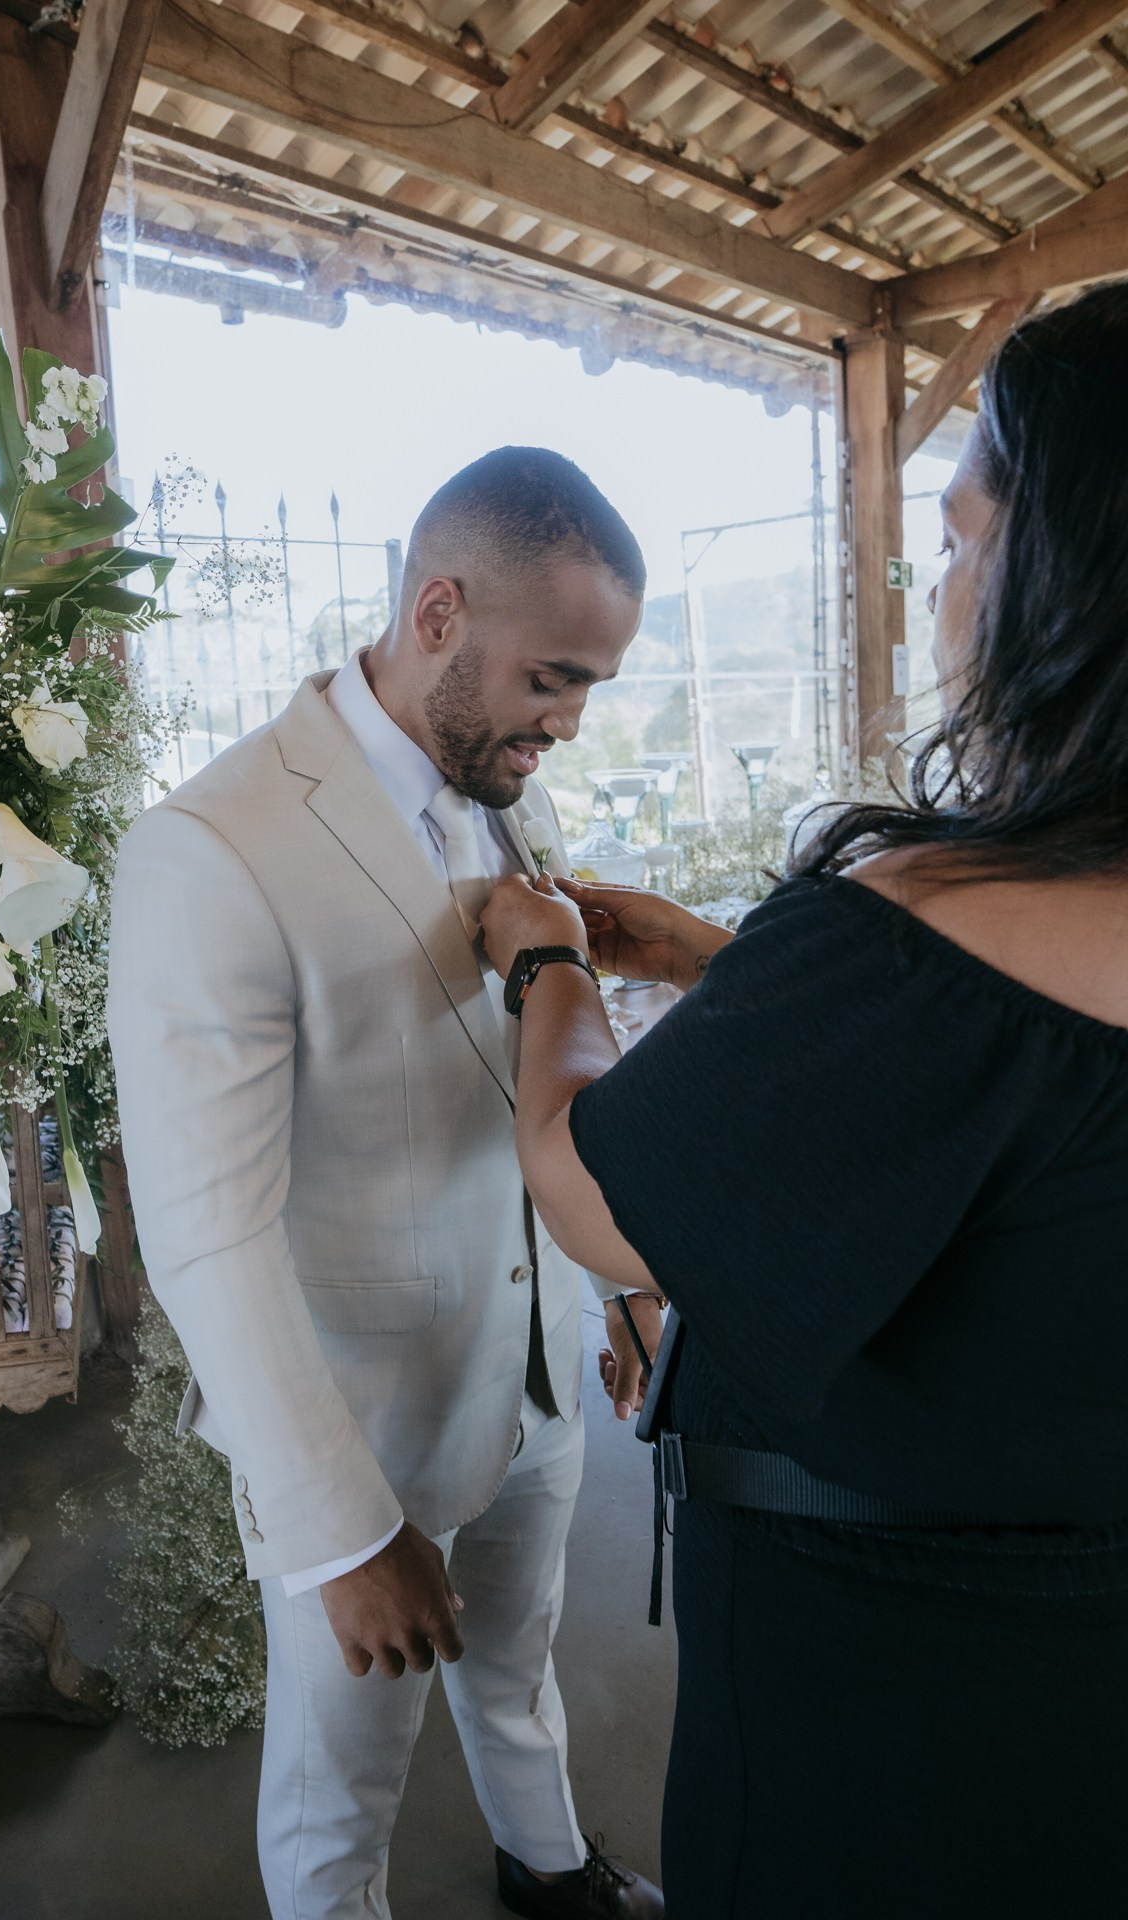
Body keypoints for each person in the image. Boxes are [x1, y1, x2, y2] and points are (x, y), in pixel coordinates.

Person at [480, 284, 1128, 1918]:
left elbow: (591, 1187)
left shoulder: (928, 935)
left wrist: (543, 968)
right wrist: (729, 973)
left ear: (1077, 574)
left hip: (916, 1688)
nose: (947, 590)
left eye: (970, 541)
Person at [107, 447, 666, 1920]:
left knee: (520, 1661)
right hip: (366, 1426)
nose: (572, 721)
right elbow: (205, 1232)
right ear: (438, 615)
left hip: (535, 1375)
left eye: (590, 685)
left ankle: (546, 1870)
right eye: (554, 677)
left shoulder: (494, 779)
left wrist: (609, 1278)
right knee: (335, 1790)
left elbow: (518, 1076)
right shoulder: (209, 849)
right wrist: (343, 1529)